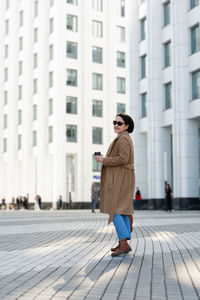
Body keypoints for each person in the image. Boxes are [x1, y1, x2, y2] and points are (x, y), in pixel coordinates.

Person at [95, 113, 135, 257]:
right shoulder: (123, 138)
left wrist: (104, 160)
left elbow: (123, 159)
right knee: (122, 210)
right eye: (115, 122)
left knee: (116, 210)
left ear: (126, 126)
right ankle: (123, 242)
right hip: (124, 177)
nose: (116, 125)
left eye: (119, 123)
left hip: (122, 178)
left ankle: (123, 243)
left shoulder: (124, 139)